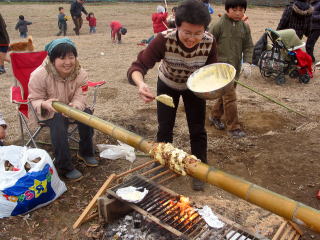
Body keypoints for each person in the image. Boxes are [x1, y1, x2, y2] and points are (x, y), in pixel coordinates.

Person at [127, 0, 217, 191]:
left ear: (204, 30)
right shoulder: (163, 39)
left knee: (198, 129)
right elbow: (138, 66)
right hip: (168, 83)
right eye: (187, 32)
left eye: (197, 33)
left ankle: (199, 169)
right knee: (165, 126)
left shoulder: (209, 42)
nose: (192, 38)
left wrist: (211, 89)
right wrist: (141, 84)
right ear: (177, 26)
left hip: (194, 88)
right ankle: (162, 162)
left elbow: (211, 72)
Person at [28, 38, 98, 181]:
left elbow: (81, 94)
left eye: (71, 57)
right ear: (52, 59)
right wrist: (46, 104)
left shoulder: (80, 73)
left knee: (87, 113)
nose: (68, 62)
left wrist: (75, 106)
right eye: (62, 58)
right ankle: (64, 166)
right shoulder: (39, 75)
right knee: (58, 121)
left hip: (71, 108)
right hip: (48, 111)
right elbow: (34, 99)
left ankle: (85, 152)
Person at [208, 0, 253, 138]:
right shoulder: (218, 25)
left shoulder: (244, 27)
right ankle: (233, 127)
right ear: (227, 9)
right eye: (235, 10)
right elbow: (207, 43)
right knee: (230, 98)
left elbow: (248, 46)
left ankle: (215, 116)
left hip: (235, 68)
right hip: (221, 69)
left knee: (225, 95)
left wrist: (247, 63)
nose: (239, 13)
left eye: (241, 10)